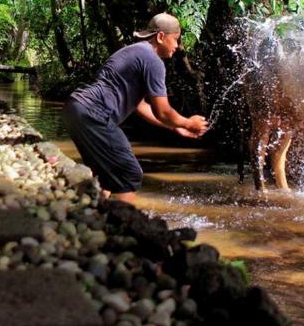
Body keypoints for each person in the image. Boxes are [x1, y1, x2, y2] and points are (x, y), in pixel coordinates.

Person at [62, 13, 210, 204]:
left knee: (107, 172)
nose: (177, 46)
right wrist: (188, 122)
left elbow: (140, 106)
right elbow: (162, 111)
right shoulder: (153, 60)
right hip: (93, 113)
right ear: (161, 37)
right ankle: (125, 226)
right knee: (129, 173)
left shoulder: (134, 52)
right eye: (175, 39)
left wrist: (175, 126)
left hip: (75, 109)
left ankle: (92, 215)